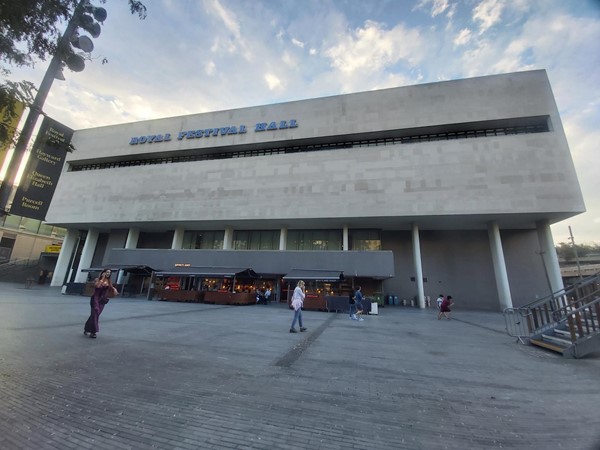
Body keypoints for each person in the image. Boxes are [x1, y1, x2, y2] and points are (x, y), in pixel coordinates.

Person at [84, 269, 119, 338]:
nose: (108, 273)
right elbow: (98, 286)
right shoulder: (97, 279)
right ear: (103, 273)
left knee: (95, 315)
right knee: (95, 314)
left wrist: (114, 289)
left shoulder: (109, 281)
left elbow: (111, 288)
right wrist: (102, 278)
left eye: (109, 272)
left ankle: (87, 328)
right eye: (107, 272)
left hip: (102, 300)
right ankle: (93, 332)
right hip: (95, 299)